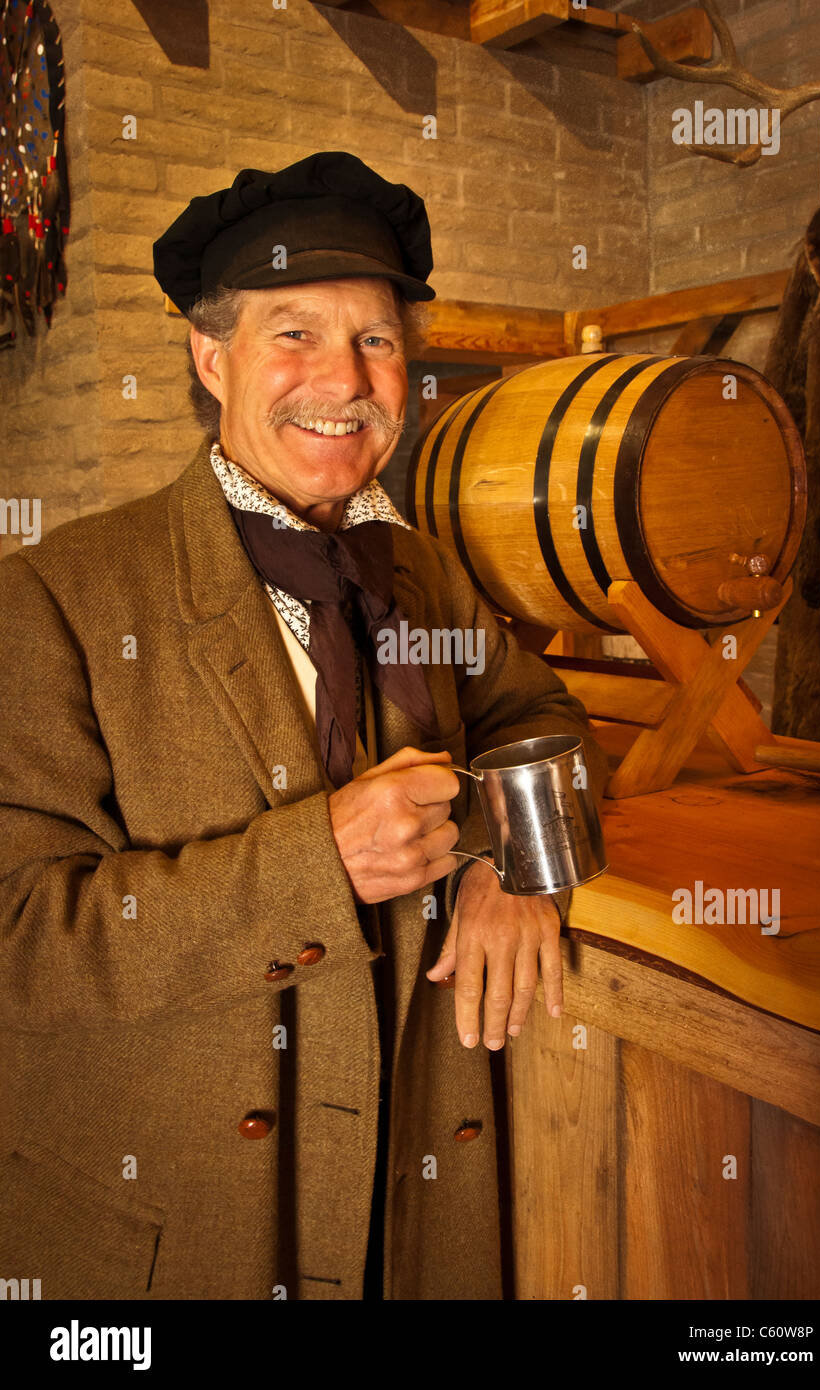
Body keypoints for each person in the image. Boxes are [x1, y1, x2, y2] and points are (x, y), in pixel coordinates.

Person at [0, 151, 607, 1300]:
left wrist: (521, 859)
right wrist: (314, 862)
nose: (343, 376)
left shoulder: (425, 577)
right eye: (293, 334)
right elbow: (20, 935)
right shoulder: (54, 595)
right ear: (209, 356)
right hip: (179, 1237)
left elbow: (550, 723)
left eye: (374, 340)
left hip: (410, 1215)